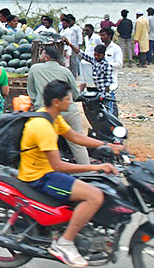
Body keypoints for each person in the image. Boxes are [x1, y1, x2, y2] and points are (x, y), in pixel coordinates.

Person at [21, 80, 123, 268]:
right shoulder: (42, 126)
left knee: (95, 185)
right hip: (40, 177)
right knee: (94, 196)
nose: (71, 101)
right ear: (56, 101)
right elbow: (59, 166)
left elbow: (76, 137)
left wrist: (107, 146)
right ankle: (64, 243)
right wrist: (97, 167)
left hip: (47, 172)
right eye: (68, 98)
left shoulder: (53, 116)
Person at [27, 45, 88, 164]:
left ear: (46, 57)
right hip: (68, 111)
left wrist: (37, 103)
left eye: (42, 54)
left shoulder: (35, 68)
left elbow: (31, 92)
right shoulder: (66, 71)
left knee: (47, 145)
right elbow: (75, 94)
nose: (40, 57)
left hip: (47, 113)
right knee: (78, 143)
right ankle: (88, 171)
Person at [66, 41, 119, 117]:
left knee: (109, 113)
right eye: (95, 55)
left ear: (103, 55)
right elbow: (81, 54)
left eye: (98, 55)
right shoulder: (94, 61)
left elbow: (108, 84)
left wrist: (105, 96)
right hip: (99, 91)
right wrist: (70, 44)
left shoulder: (107, 66)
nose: (96, 57)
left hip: (107, 94)